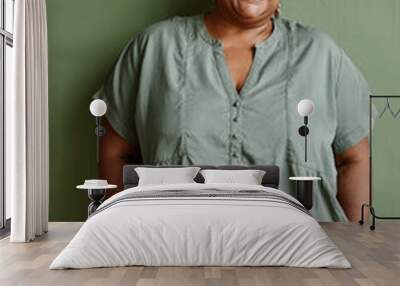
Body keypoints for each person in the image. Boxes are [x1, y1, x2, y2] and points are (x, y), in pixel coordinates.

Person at [96, 0, 372, 222]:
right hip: (176, 251)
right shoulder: (155, 47)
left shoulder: (320, 53)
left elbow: (355, 158)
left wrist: (356, 245)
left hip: (305, 257)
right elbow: (114, 152)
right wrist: (118, 229)